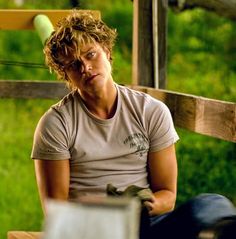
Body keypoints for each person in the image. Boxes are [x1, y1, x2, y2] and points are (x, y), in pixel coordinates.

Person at [31, 10, 236, 239]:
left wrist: (142, 205)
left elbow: (167, 194)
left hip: (145, 224)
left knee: (211, 203)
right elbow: (56, 211)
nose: (85, 67)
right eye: (73, 64)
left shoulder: (150, 111)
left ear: (107, 52)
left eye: (91, 55)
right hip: (89, 230)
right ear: (66, 75)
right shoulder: (55, 124)